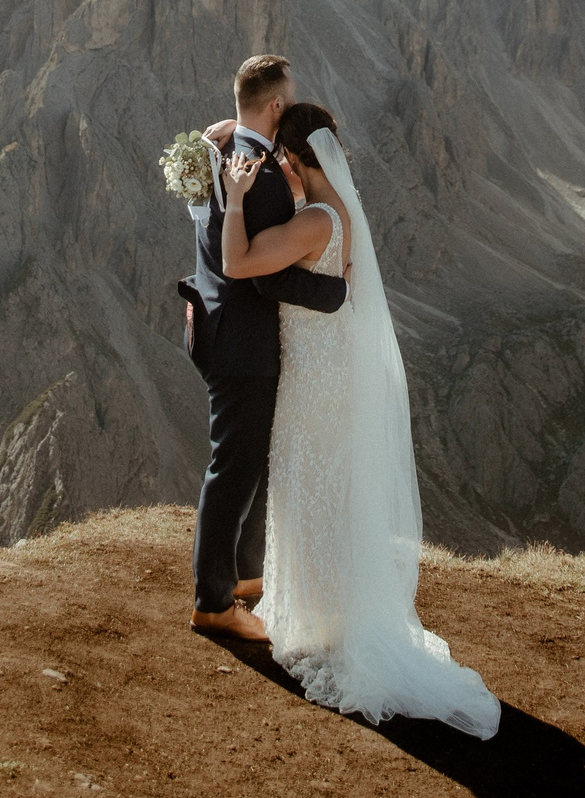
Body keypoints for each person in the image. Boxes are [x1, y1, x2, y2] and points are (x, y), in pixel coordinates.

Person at [214, 97, 501, 739]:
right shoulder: (337, 211)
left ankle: (326, 629)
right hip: (328, 374)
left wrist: (234, 199)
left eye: (279, 159)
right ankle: (327, 617)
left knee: (307, 494)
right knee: (323, 496)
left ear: (294, 159)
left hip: (313, 387)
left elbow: (238, 262)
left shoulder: (315, 220)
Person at [182, 54, 345, 642]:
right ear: (275, 105)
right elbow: (265, 275)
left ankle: (244, 577)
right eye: (290, 98)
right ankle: (213, 603)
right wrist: (335, 291)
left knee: (249, 463)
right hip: (245, 344)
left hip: (214, 325)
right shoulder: (268, 178)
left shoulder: (213, 150)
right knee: (233, 469)